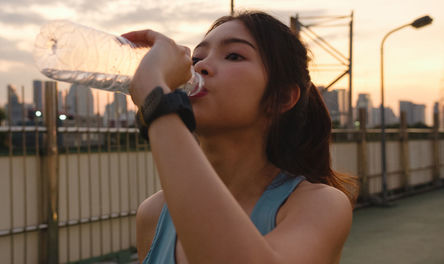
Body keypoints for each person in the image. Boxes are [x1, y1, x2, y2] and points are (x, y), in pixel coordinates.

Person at [122, 10, 359, 264]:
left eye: (233, 55)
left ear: (281, 98)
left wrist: (156, 102)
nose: (200, 66)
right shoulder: (153, 214)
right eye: (196, 58)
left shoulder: (319, 205)